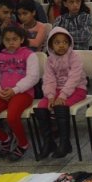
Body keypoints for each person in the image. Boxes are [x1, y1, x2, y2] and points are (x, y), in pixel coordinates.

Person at [0, 24, 40, 161]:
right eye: (7, 39)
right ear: (3, 40)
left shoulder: (29, 55)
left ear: (22, 39)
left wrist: (15, 89)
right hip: (3, 94)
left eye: (14, 39)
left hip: (23, 93)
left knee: (12, 117)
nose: (11, 42)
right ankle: (6, 139)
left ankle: (23, 144)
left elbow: (33, 77)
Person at [32, 27, 87, 159]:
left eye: (65, 42)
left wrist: (63, 95)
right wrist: (50, 96)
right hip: (56, 90)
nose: (61, 45)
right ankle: (49, 142)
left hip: (77, 89)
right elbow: (48, 80)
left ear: (69, 43)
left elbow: (74, 78)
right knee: (41, 106)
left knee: (60, 105)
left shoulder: (75, 57)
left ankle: (65, 143)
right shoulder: (49, 60)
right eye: (57, 42)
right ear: (51, 45)